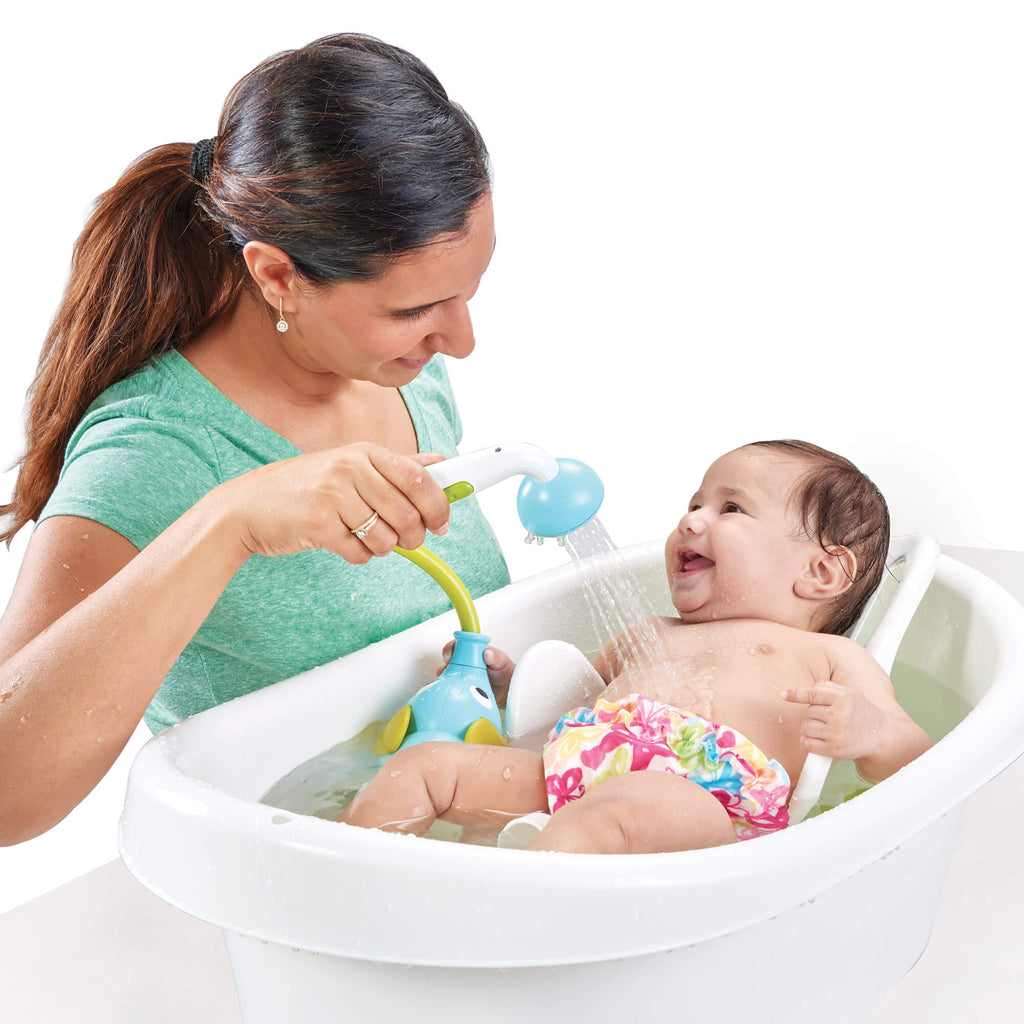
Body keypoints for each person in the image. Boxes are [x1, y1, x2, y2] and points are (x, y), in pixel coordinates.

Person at [0, 34, 511, 846]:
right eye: (413, 309)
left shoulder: (401, 373)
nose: (461, 340)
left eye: (467, 293)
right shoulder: (154, 451)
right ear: (276, 275)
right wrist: (230, 521)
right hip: (292, 882)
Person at [340, 440, 933, 854]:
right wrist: (504, 686)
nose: (691, 521)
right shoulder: (649, 633)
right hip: (567, 777)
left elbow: (917, 761)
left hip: (701, 809)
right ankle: (348, 868)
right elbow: (565, 702)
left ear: (821, 573)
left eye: (730, 509)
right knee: (425, 765)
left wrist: (872, 733)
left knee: (622, 806)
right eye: (694, 504)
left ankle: (507, 911)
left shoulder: (828, 657)